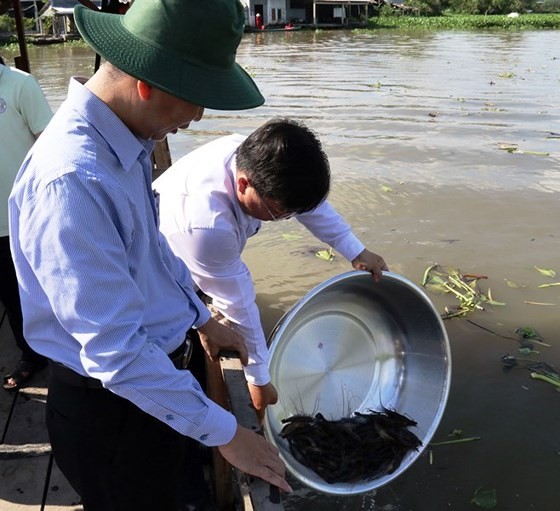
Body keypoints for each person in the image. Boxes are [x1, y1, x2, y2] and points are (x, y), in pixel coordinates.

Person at [8, 1, 290, 510]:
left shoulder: (124, 141)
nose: (200, 116)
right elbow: (115, 352)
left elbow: (151, 249)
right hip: (113, 409)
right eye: (197, 99)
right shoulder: (74, 179)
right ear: (148, 84)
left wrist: (201, 317)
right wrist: (228, 434)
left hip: (158, 386)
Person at [153, 118, 388, 424]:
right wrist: (259, 378)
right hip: (155, 274)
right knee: (176, 351)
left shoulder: (253, 155)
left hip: (192, 253)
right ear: (243, 185)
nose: (284, 218)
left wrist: (355, 250)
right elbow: (237, 302)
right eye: (279, 213)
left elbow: (306, 205)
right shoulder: (208, 226)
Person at [0, 55, 52, 391]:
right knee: (7, 292)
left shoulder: (20, 85)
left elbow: (49, 145)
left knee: (24, 291)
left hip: (18, 217)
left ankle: (34, 355)